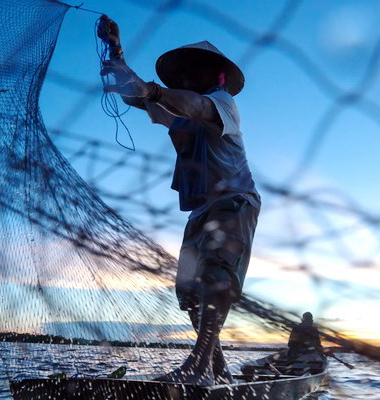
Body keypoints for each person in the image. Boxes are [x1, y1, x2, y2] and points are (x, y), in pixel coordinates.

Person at [97, 16, 260, 385]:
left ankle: (198, 367)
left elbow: (192, 107)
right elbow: (135, 96)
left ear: (215, 76)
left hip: (235, 202)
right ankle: (218, 370)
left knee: (216, 275)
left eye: (195, 72)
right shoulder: (178, 110)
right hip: (202, 209)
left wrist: (151, 91)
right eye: (184, 73)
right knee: (189, 291)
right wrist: (115, 50)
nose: (187, 78)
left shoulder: (222, 103)